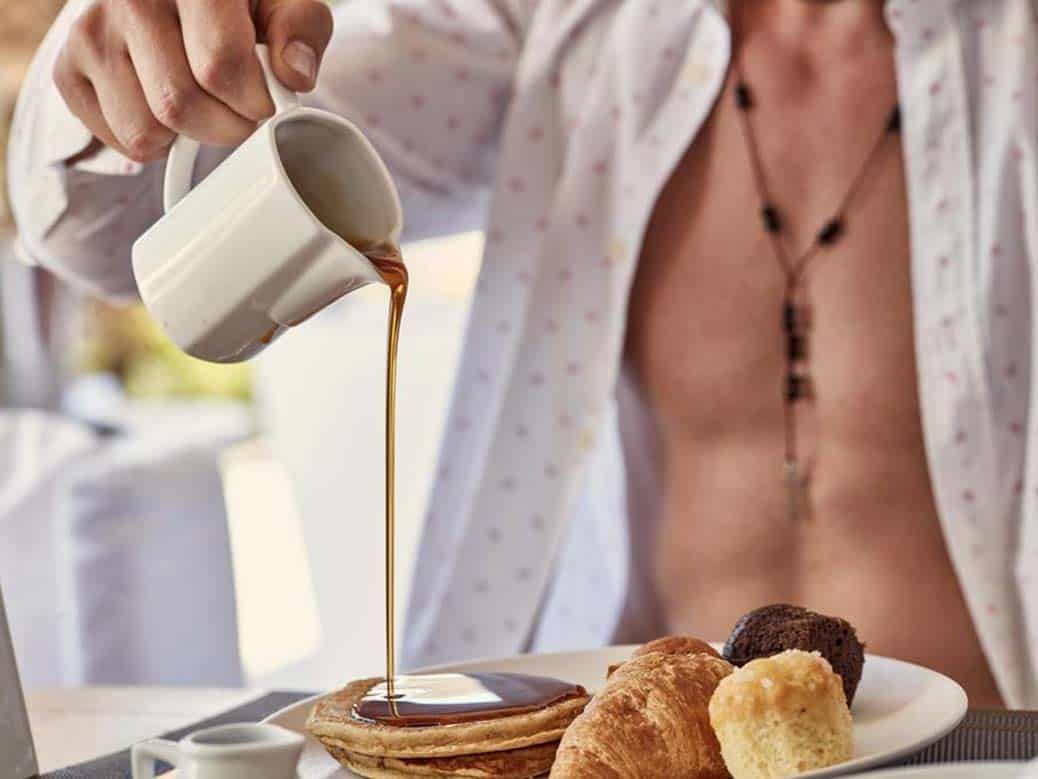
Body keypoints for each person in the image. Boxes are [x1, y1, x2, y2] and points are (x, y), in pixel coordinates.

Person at [7, 0, 1036, 708]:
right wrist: (126, 59)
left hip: (989, 748)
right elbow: (107, 231)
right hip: (616, 748)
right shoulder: (560, 29)